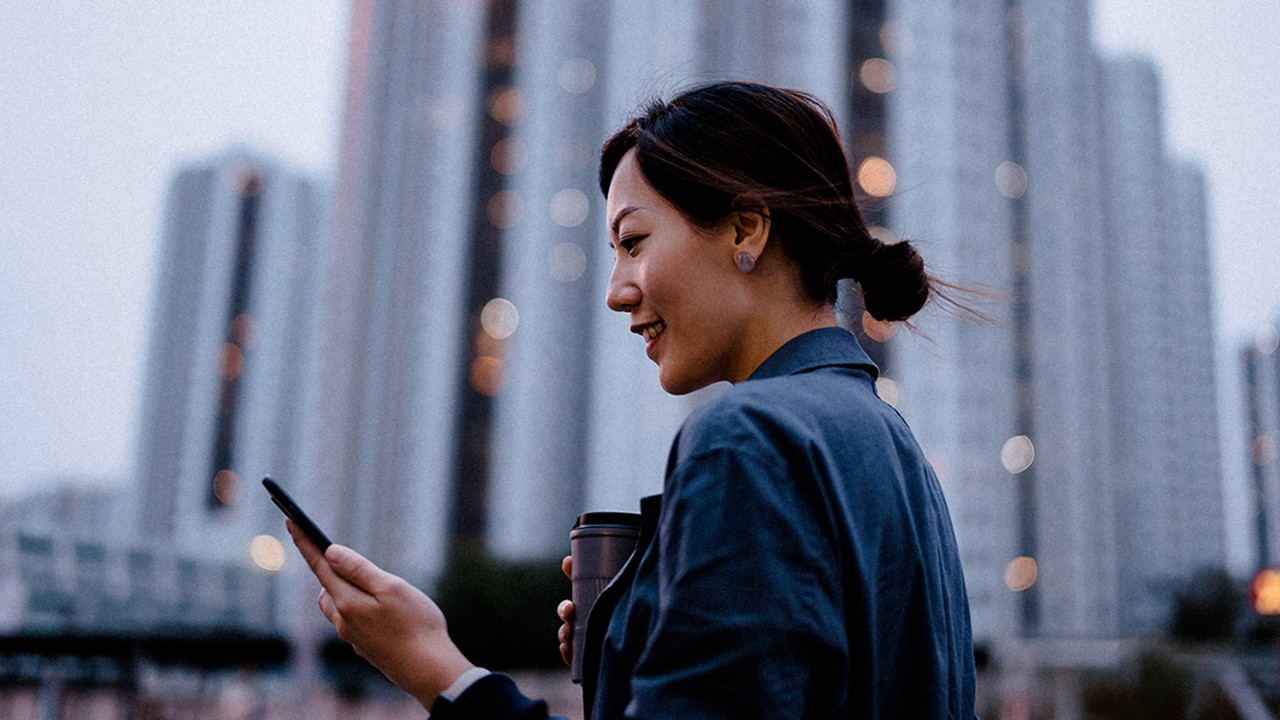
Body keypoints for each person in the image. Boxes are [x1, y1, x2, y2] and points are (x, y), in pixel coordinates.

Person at [287, 80, 978, 719]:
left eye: (634, 242)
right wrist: (641, 635)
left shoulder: (750, 436)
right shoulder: (893, 446)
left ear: (746, 230)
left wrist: (432, 666)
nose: (616, 290)